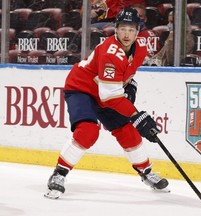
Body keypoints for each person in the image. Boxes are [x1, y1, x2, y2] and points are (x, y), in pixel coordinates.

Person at [44, 7, 169, 200]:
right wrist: (137, 116)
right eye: (122, 29)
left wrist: (131, 85)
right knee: (88, 131)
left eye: (131, 29)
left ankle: (146, 172)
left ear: (138, 31)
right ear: (116, 29)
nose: (127, 34)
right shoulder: (110, 53)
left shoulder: (141, 47)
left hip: (104, 90)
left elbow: (124, 76)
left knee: (128, 131)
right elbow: (110, 97)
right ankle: (59, 174)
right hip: (81, 88)